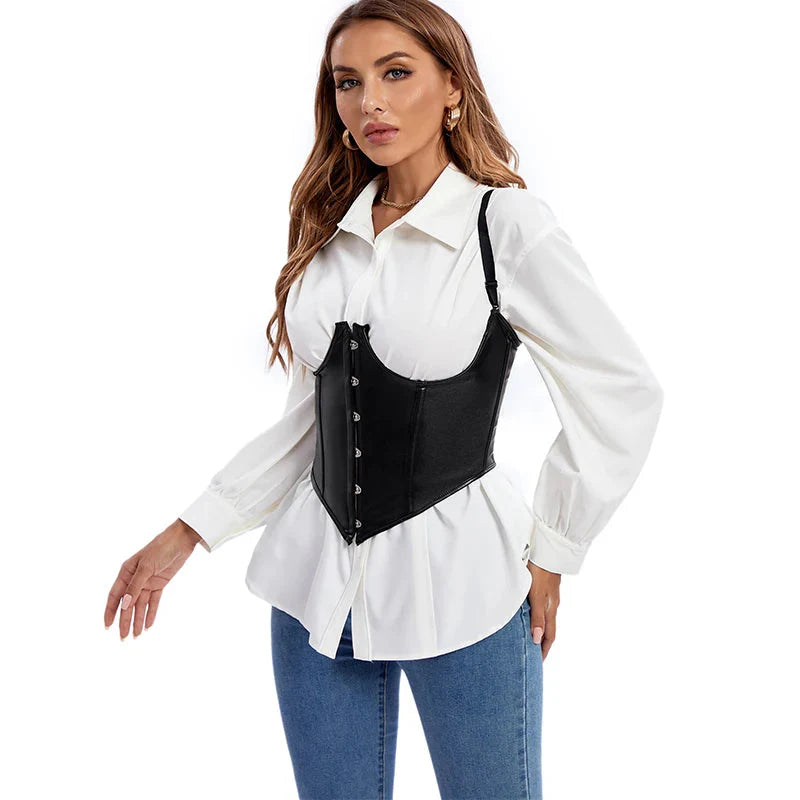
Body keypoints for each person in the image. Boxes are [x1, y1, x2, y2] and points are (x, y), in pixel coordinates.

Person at [104, 2, 664, 798]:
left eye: (396, 73)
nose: (370, 102)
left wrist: (556, 547)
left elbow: (621, 391)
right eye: (348, 82)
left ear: (452, 87)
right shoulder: (330, 237)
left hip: (464, 592)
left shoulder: (504, 226)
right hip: (314, 594)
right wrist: (189, 532)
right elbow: (310, 425)